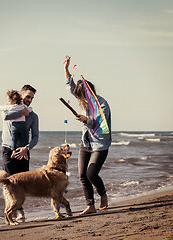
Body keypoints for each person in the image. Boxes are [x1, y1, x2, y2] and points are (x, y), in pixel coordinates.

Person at [63, 57, 112, 215]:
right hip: (86, 143)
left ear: (89, 93)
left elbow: (99, 125)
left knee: (92, 173)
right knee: (82, 175)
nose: (80, 99)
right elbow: (70, 86)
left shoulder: (101, 104)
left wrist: (85, 119)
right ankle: (90, 206)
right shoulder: (83, 99)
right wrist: (66, 68)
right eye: (79, 96)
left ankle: (103, 194)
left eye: (82, 96)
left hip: (100, 145)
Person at [0, 84, 39, 221]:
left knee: (21, 183)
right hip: (7, 149)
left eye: (32, 98)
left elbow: (35, 137)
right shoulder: (9, 109)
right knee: (9, 181)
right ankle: (11, 212)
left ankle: (18, 209)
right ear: (20, 95)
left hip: (24, 151)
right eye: (27, 96)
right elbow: (5, 116)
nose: (29, 100)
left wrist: (27, 148)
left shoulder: (33, 116)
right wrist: (22, 112)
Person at [0, 90, 33, 159]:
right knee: (25, 139)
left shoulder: (11, 107)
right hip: (23, 126)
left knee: (14, 139)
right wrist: (27, 111)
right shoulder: (23, 106)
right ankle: (25, 153)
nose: (8, 103)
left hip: (15, 126)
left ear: (14, 101)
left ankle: (13, 151)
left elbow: (3, 108)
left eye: (8, 101)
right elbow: (30, 110)